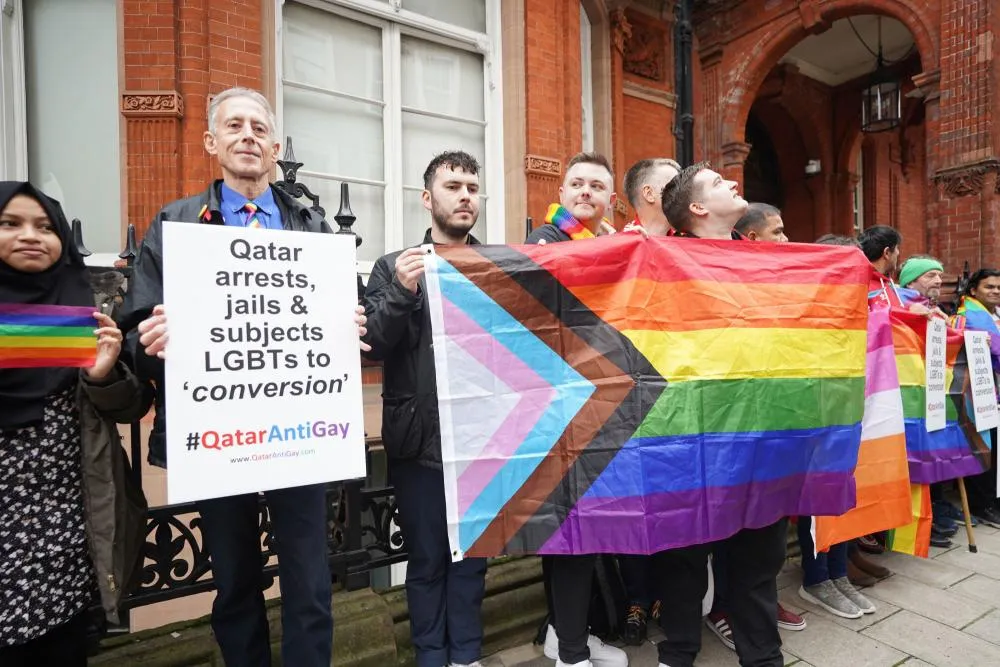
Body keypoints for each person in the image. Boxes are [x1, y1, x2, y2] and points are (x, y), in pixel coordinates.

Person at [118, 86, 367, 667]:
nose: (248, 136)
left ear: (276, 146)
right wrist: (148, 342)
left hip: (299, 432)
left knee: (309, 579)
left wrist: (348, 320)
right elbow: (134, 335)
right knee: (234, 581)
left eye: (259, 127)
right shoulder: (175, 224)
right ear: (212, 142)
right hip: (217, 434)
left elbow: (344, 318)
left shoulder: (311, 223)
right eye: (234, 126)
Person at [0, 182, 149, 666]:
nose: (30, 236)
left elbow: (130, 406)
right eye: (10, 224)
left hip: (66, 520)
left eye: (45, 227)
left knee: (62, 644)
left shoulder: (85, 307)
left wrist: (102, 374)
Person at [651, 163, 786, 667]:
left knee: (758, 561)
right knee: (684, 560)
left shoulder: (767, 264)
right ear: (698, 208)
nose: (732, 181)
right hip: (690, 438)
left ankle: (763, 656)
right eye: (716, 182)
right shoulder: (660, 262)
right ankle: (679, 652)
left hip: (756, 438)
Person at [362, 150, 488, 667]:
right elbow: (373, 346)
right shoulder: (392, 266)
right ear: (427, 197)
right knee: (427, 561)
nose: (464, 196)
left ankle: (468, 656)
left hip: (482, 439)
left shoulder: (495, 266)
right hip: (418, 442)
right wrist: (402, 291)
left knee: (473, 563)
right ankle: (432, 657)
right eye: (452, 185)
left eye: (471, 188)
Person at [527, 152, 628, 667]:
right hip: (562, 407)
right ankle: (570, 651)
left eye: (596, 185)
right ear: (562, 193)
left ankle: (564, 634)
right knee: (569, 531)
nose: (584, 192)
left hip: (602, 402)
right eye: (576, 184)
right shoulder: (546, 243)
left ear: (611, 198)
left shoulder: (609, 244)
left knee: (586, 532)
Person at [704, 202, 805, 652]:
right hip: (731, 428)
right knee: (737, 534)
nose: (786, 240)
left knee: (765, 538)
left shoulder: (783, 282)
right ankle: (731, 611)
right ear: (749, 239)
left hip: (773, 423)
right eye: (777, 232)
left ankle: (758, 609)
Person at [950, 268, 1000, 527]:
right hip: (974, 394)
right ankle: (983, 505)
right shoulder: (970, 315)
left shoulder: (991, 314)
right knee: (983, 447)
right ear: (973, 290)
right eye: (989, 287)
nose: (995, 291)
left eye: (998, 288)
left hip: (990, 391)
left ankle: (990, 500)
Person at [621, 158, 680, 238]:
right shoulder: (623, 244)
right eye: (675, 185)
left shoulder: (686, 241)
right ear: (649, 194)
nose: (684, 192)